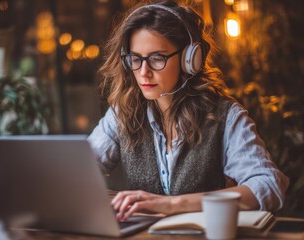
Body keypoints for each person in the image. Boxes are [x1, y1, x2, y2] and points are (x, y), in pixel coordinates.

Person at [88, 0, 289, 221]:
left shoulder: (226, 116)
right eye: (135, 59)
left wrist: (173, 204)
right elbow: (79, 168)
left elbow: (268, 184)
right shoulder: (123, 113)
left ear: (190, 60)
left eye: (157, 58)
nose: (143, 72)